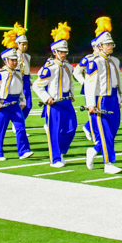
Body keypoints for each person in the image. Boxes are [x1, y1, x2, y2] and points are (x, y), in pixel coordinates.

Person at [84, 17, 122, 174]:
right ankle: (108, 163)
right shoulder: (95, 62)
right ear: (100, 46)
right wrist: (91, 104)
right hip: (102, 99)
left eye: (111, 44)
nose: (111, 46)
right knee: (106, 132)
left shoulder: (114, 61)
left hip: (113, 98)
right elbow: (89, 84)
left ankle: (94, 150)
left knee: (113, 130)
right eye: (108, 44)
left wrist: (119, 98)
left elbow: (117, 82)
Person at [34, 23, 77, 167]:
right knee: (54, 131)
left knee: (72, 128)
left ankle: (61, 151)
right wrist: (47, 98)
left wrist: (71, 93)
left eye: (65, 51)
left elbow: (70, 82)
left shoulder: (68, 66)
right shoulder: (50, 67)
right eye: (61, 52)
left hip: (66, 102)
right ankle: (55, 159)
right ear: (55, 52)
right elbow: (37, 85)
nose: (64, 54)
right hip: (54, 103)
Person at [0, 34, 31, 161]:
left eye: (16, 60)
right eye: (12, 60)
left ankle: (23, 151)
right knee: (1, 130)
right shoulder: (0, 74)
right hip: (3, 104)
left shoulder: (18, 73)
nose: (15, 62)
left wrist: (22, 101)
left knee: (21, 128)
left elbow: (20, 89)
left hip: (15, 105)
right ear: (5, 61)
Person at [12, 23, 34, 122]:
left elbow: (27, 69)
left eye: (26, 44)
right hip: (18, 81)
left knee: (28, 105)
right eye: (22, 44)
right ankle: (18, 123)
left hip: (26, 81)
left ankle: (20, 121)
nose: (25, 46)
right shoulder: (14, 55)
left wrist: (29, 79)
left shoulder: (27, 56)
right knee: (21, 104)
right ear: (17, 45)